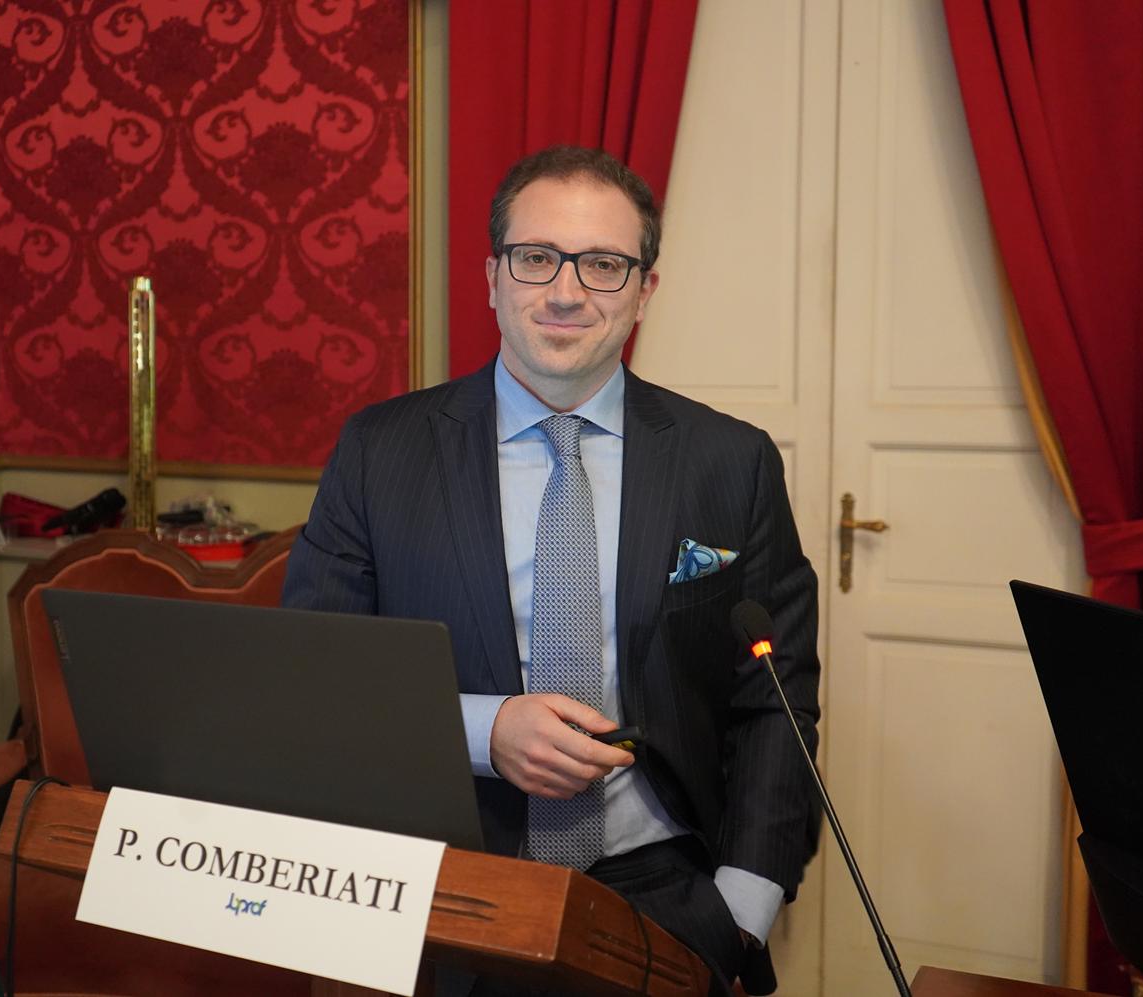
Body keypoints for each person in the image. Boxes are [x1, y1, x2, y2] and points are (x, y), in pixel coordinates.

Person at [282, 146, 820, 996]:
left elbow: (776, 701)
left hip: (666, 895)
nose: (566, 292)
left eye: (603, 264)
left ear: (645, 289)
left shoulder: (731, 462)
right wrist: (483, 731)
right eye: (536, 258)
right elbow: (315, 678)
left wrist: (743, 907)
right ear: (492, 277)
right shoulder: (380, 452)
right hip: (442, 887)